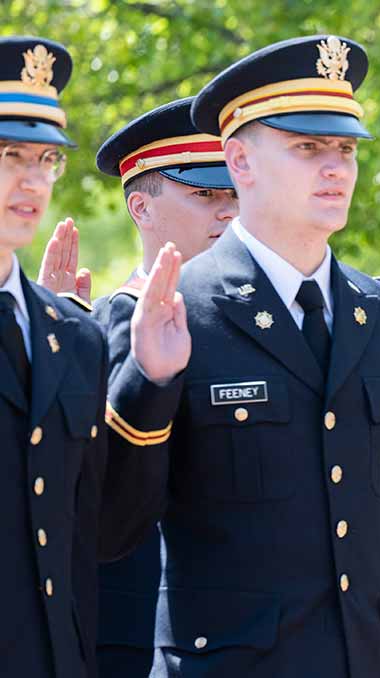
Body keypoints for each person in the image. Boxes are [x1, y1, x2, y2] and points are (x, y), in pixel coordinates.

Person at [103, 35, 380, 677]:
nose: (336, 168)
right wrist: (148, 382)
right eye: (307, 147)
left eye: (344, 149)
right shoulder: (181, 310)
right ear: (240, 161)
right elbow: (112, 529)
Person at [94, 96, 237, 677]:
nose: (228, 212)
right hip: (137, 640)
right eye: (205, 194)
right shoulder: (108, 323)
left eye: (234, 194)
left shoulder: (250, 326)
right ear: (141, 208)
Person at [0, 34, 110, 678]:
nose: (33, 180)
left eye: (46, 158)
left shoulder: (73, 335)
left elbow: (91, 537)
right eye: (10, 154)